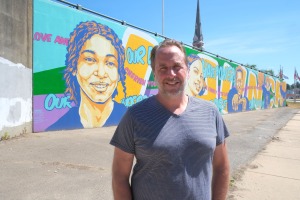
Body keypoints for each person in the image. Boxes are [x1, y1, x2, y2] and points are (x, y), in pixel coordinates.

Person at [110, 39, 230, 200]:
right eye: (163, 68)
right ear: (154, 72)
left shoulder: (211, 112)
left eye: (177, 67)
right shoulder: (134, 117)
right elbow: (119, 176)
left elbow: (222, 166)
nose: (171, 74)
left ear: (187, 69)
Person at [46, 21, 127, 131]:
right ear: (74, 67)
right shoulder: (55, 127)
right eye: (90, 59)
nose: (101, 73)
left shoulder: (131, 119)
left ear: (119, 74)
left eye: (110, 63)